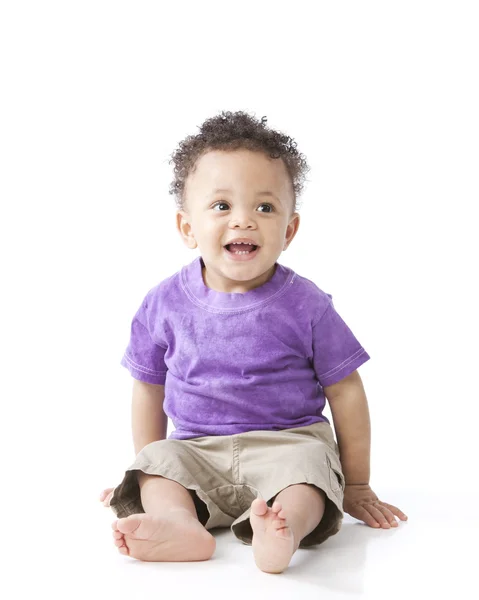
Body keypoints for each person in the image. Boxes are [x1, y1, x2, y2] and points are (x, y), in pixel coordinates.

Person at [100, 110, 408, 574]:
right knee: (159, 461)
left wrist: (357, 485)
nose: (244, 221)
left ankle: (283, 527)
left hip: (287, 444)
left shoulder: (305, 304)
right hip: (198, 450)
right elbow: (149, 386)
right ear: (187, 228)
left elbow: (345, 390)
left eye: (264, 208)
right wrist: (145, 468)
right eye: (222, 206)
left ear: (288, 230)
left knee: (308, 472)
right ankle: (175, 520)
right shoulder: (163, 303)